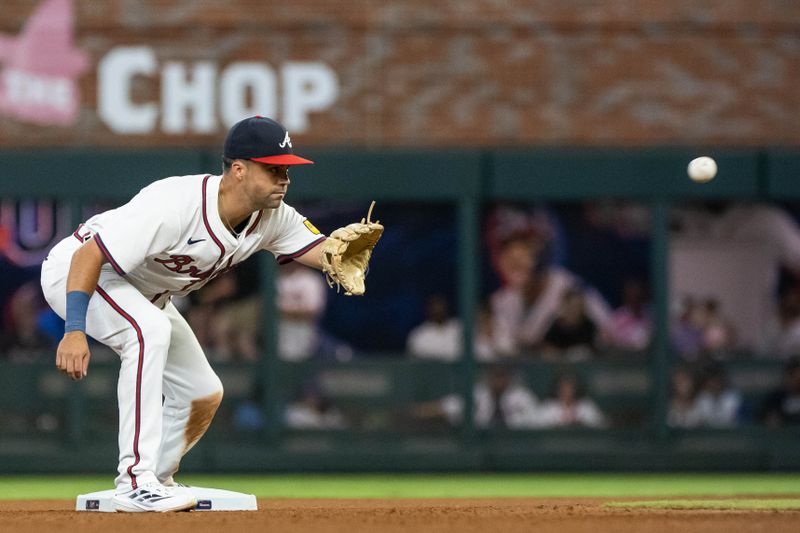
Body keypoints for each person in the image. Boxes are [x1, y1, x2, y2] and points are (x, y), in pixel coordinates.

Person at [40, 116, 378, 512]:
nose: (284, 178)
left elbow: (324, 252)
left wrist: (341, 256)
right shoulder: (175, 204)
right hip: (81, 274)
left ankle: (158, 479)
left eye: (286, 169)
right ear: (239, 169)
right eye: (273, 168)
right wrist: (75, 330)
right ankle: (134, 480)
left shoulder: (274, 217)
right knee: (147, 331)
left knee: (202, 391)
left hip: (145, 293)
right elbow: (89, 254)